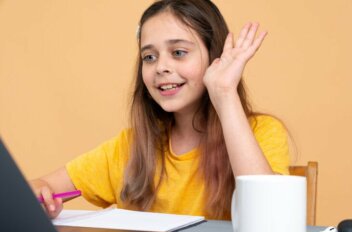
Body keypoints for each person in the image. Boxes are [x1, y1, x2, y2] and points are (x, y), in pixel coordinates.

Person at [30, 0, 290, 220]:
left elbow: (268, 219)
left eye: (178, 52)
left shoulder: (262, 132)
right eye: (149, 57)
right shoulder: (130, 147)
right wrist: (41, 195)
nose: (160, 67)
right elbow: (40, 186)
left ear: (215, 57)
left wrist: (223, 93)